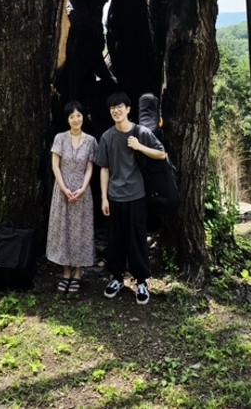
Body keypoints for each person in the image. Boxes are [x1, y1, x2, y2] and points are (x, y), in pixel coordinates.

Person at [95, 91, 165, 305]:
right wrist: (104, 198)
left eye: (120, 107)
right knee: (115, 240)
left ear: (128, 109)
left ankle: (141, 281)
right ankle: (116, 278)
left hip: (136, 195)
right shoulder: (107, 136)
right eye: (112, 108)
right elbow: (104, 168)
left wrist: (139, 146)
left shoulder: (141, 132)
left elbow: (161, 154)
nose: (116, 110)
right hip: (115, 197)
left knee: (136, 239)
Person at [46, 100, 98, 294]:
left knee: (81, 231)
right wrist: (64, 188)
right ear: (67, 119)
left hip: (82, 193)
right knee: (64, 230)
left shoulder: (91, 140)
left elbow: (90, 167)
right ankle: (66, 272)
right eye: (71, 116)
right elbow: (55, 166)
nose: (76, 119)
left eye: (78, 115)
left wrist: (83, 188)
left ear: (83, 117)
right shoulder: (60, 138)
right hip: (62, 192)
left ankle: (78, 273)